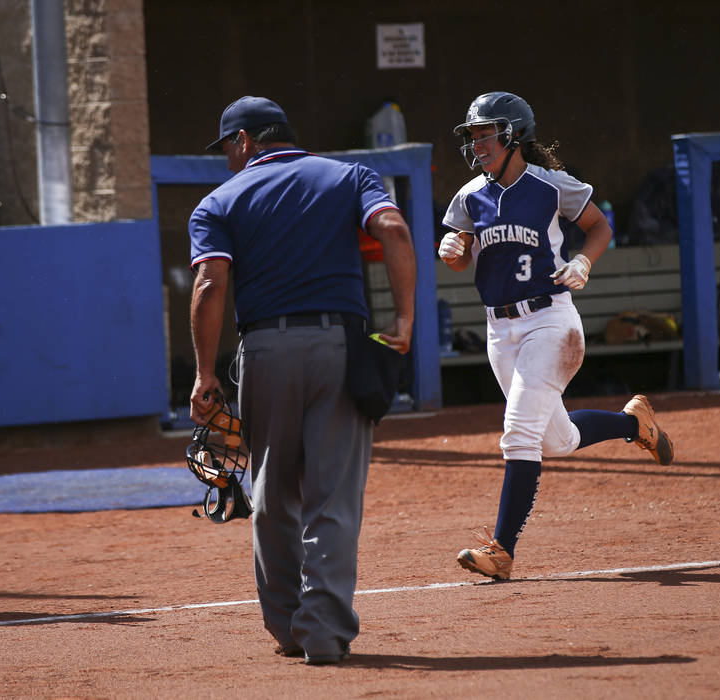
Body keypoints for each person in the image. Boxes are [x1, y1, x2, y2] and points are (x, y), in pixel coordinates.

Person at [188, 96, 416, 665]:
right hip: (341, 344)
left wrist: (205, 372)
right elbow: (393, 228)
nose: (227, 162)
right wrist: (405, 319)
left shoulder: (219, 201)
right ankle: (323, 634)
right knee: (332, 496)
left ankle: (288, 625)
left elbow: (209, 285)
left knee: (271, 492)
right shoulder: (350, 176)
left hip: (264, 350)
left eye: (227, 150)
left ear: (244, 141)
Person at [438, 92, 674, 581]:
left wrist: (584, 260)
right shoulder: (468, 196)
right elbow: (461, 261)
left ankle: (501, 551)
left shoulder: (548, 185)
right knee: (557, 440)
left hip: (551, 321)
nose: (478, 142)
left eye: (487, 132)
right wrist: (452, 250)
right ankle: (636, 426)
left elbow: (598, 226)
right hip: (499, 330)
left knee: (518, 433)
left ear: (514, 135)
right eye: (473, 135)